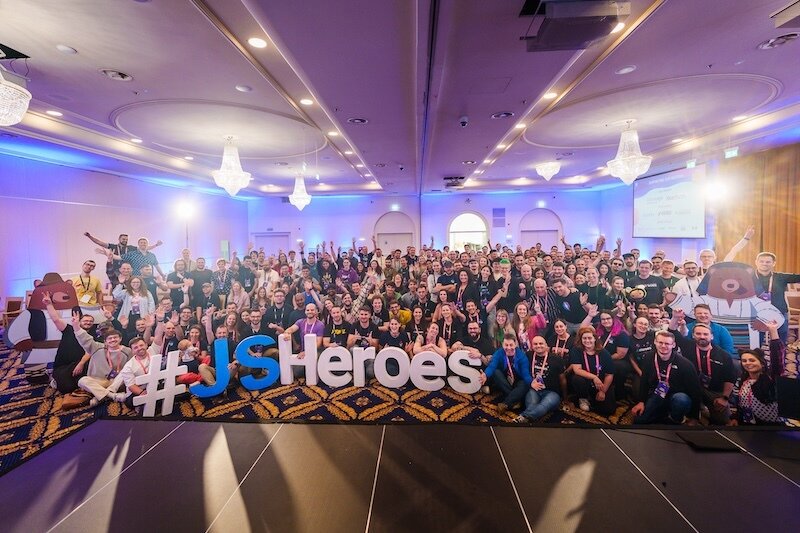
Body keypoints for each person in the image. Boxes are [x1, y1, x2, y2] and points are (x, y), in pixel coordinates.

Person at [671, 318, 736, 425]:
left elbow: (730, 378)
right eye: (698, 334)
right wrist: (675, 317)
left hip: (714, 391)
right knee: (682, 399)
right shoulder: (687, 346)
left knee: (723, 422)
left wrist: (724, 398)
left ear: (712, 336)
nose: (702, 336)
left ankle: (705, 415)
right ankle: (695, 416)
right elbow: (672, 331)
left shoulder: (723, 355)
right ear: (693, 335)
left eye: (705, 334)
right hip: (692, 388)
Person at [631, 330, 702, 425]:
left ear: (673, 345)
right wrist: (641, 401)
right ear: (655, 342)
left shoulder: (685, 364)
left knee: (681, 400)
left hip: (677, 395)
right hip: (658, 393)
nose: (663, 346)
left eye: (667, 343)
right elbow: (644, 380)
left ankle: (676, 418)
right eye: (660, 342)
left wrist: (695, 417)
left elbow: (695, 391)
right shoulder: (649, 357)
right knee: (639, 421)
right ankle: (663, 413)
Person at [731, 320, 784, 425]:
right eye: (744, 360)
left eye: (752, 360)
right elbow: (739, 403)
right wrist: (736, 418)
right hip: (746, 424)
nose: (747, 363)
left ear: (762, 364)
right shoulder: (743, 380)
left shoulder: (770, 378)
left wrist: (773, 331)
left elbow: (777, 360)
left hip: (769, 427)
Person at [71, 316, 132, 407]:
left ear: (120, 339)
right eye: (110, 338)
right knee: (82, 381)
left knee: (126, 372)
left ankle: (99, 396)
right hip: (99, 381)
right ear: (105, 341)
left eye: (115, 337)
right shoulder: (97, 347)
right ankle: (112, 396)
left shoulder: (128, 351)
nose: (113, 340)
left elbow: (132, 367)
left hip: (117, 382)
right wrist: (76, 327)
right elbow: (85, 339)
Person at [514, 336, 565, 423]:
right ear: (532, 346)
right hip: (534, 390)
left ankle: (523, 417)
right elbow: (522, 372)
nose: (538, 346)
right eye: (535, 344)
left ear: (546, 345)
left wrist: (565, 397)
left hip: (552, 392)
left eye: (541, 343)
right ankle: (529, 417)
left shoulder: (556, 359)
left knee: (544, 405)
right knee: (531, 405)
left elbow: (562, 379)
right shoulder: (528, 356)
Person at [753, 252, 800, 342]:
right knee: (756, 343)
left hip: (779, 312)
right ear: (756, 262)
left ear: (773, 263)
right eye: (761, 261)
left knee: (781, 343)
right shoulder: (749, 277)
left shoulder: (780, 277)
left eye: (768, 262)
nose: (764, 264)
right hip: (756, 314)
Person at [480, 334, 532, 414]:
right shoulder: (499, 353)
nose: (508, 348)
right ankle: (515, 399)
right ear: (502, 345)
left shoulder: (522, 356)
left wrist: (531, 383)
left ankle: (505, 404)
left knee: (525, 383)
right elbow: (492, 366)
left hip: (518, 380)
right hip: (505, 379)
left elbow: (526, 374)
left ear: (515, 344)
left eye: (511, 345)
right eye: (506, 345)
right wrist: (485, 375)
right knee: (496, 372)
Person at [569, 326, 615, 415]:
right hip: (585, 380)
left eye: (589, 338)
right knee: (576, 378)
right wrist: (594, 377)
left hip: (600, 383)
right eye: (584, 338)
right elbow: (577, 370)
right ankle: (583, 398)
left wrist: (603, 391)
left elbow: (609, 374)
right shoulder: (576, 350)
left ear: (595, 339)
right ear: (581, 340)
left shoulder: (604, 353)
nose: (587, 341)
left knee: (609, 410)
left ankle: (593, 399)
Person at [595, 311, 631, 399]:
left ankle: (618, 391)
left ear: (613, 319)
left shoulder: (622, 334)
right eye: (603, 319)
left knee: (617, 366)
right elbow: (582, 328)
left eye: (608, 318)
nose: (606, 321)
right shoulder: (599, 331)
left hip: (618, 360)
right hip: (601, 358)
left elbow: (620, 355)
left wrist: (604, 360)